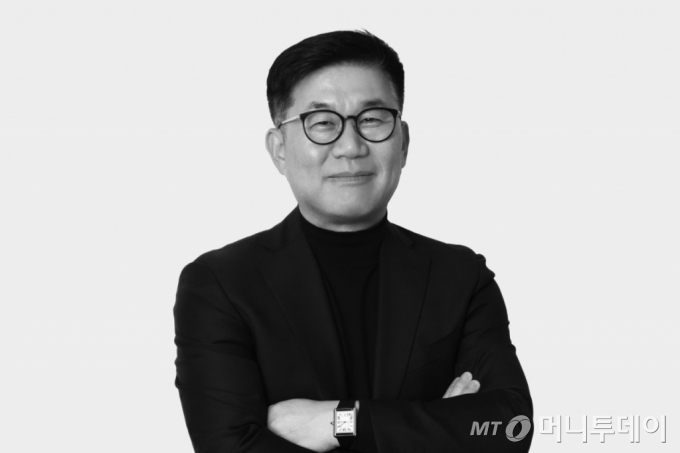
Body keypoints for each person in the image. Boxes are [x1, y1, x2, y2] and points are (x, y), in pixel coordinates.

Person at [174, 30, 533, 452]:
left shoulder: (460, 276)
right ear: (279, 149)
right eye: (323, 123)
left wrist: (341, 421)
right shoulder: (220, 284)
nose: (350, 146)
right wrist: (437, 427)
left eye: (372, 119)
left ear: (403, 142)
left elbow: (511, 427)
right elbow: (229, 447)